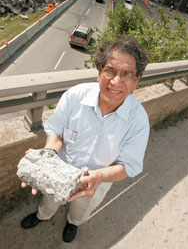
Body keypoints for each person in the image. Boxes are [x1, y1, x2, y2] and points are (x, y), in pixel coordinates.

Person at [20, 36, 150, 243]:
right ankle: (42, 216)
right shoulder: (75, 96)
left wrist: (97, 177)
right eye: (110, 71)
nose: (116, 81)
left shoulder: (138, 120)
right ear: (99, 71)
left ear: (136, 80)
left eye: (126, 74)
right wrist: (47, 156)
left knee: (80, 211)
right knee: (49, 201)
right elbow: (56, 132)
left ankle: (73, 223)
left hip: (97, 183)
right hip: (59, 172)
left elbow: (129, 165)